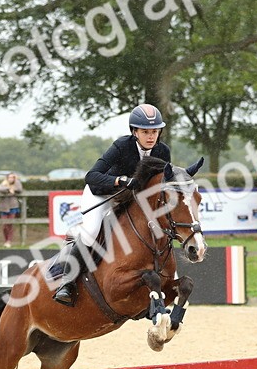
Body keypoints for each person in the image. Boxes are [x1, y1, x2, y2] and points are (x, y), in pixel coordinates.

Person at [49, 103, 172, 305]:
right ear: (134, 132)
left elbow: (163, 180)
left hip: (129, 198)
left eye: (154, 131)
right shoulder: (122, 146)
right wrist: (120, 180)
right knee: (91, 232)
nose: (151, 136)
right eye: (145, 132)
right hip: (101, 194)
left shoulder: (162, 151)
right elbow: (91, 176)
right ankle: (66, 283)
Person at [0, 173, 22, 248]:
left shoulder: (17, 183)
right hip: (3, 207)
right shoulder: (3, 184)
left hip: (13, 206)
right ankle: (6, 240)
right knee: (4, 225)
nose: (11, 179)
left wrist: (14, 189)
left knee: (10, 224)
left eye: (12, 177)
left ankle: (9, 241)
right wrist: (8, 189)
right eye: (10, 177)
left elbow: (20, 189)